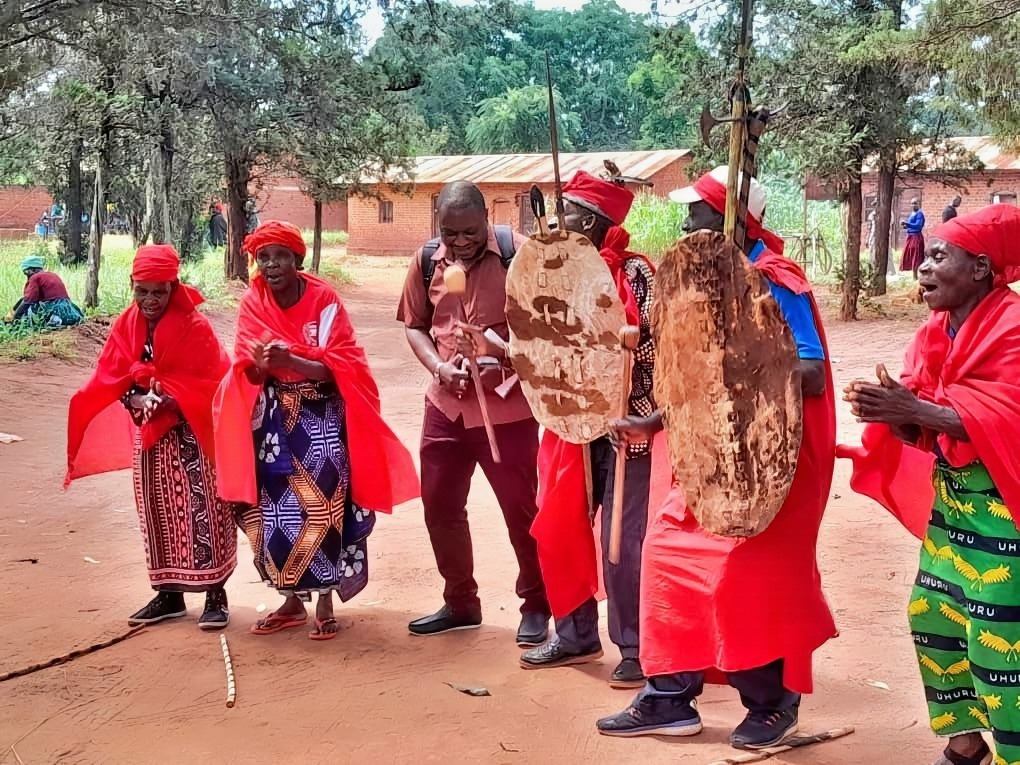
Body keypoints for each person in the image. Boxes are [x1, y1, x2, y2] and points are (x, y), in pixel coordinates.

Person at [596, 166, 837, 750]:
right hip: (706, 455)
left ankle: (773, 705)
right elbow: (693, 375)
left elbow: (809, 373)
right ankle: (668, 695)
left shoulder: (776, 281)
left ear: (733, 219)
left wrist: (740, 365)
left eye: (696, 213)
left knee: (748, 579)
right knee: (666, 557)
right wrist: (652, 421)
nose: (685, 225)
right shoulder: (699, 282)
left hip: (763, 460)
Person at [839, 205, 1020, 765]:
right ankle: (965, 746)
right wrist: (890, 411)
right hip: (953, 506)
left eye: (940, 256)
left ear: (981, 268)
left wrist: (915, 408)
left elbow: (1006, 418)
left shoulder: (1014, 328)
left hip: (1005, 509)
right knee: (933, 616)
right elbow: (924, 422)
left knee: (1000, 644)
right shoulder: (933, 332)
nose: (922, 266)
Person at [214, 221, 419, 640]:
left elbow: (341, 365)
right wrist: (261, 366)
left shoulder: (324, 300)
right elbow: (247, 370)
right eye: (263, 257)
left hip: (322, 416)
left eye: (280, 256)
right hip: (273, 422)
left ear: (297, 259)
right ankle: (290, 601)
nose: (271, 265)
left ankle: (325, 601)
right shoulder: (253, 301)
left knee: (325, 506)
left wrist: (291, 360)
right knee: (275, 512)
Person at [519, 170, 659, 689]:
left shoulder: (639, 275)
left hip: (625, 423)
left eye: (571, 213)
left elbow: (656, 344)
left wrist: (614, 355)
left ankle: (636, 647)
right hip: (570, 421)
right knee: (559, 527)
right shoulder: (555, 268)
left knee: (621, 541)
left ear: (595, 223)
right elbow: (538, 335)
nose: (561, 220)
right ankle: (576, 633)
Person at [396, 181, 551, 645]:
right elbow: (415, 326)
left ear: (487, 218)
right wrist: (440, 368)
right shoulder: (428, 260)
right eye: (450, 233)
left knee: (522, 511)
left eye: (469, 232)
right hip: (445, 407)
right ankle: (461, 602)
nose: (460, 242)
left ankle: (537, 605)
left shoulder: (519, 256)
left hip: (507, 412)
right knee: (440, 506)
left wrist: (496, 351)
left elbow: (548, 333)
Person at [66, 244, 236, 629]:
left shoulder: (195, 327)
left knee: (205, 510)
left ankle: (215, 594)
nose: (150, 300)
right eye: (142, 291)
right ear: (132, 285)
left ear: (174, 286)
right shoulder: (125, 325)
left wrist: (174, 400)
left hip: (194, 435)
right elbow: (112, 375)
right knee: (157, 512)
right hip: (151, 436)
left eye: (159, 291)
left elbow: (215, 383)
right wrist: (137, 397)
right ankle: (169, 595)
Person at [8, 256, 84, 327]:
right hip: (67, 308)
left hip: (53, 308)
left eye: (26, 273)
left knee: (26, 307)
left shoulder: (35, 278)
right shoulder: (52, 275)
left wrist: (15, 318)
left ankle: (9, 320)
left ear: (32, 270)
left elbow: (27, 301)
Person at [902, 197, 927, 279]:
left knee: (916, 256)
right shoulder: (912, 214)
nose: (913, 205)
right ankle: (914, 275)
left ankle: (916, 276)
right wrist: (906, 226)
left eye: (915, 203)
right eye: (912, 203)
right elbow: (911, 225)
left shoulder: (920, 214)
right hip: (910, 236)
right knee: (911, 255)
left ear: (918, 204)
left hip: (916, 237)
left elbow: (918, 226)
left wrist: (908, 224)